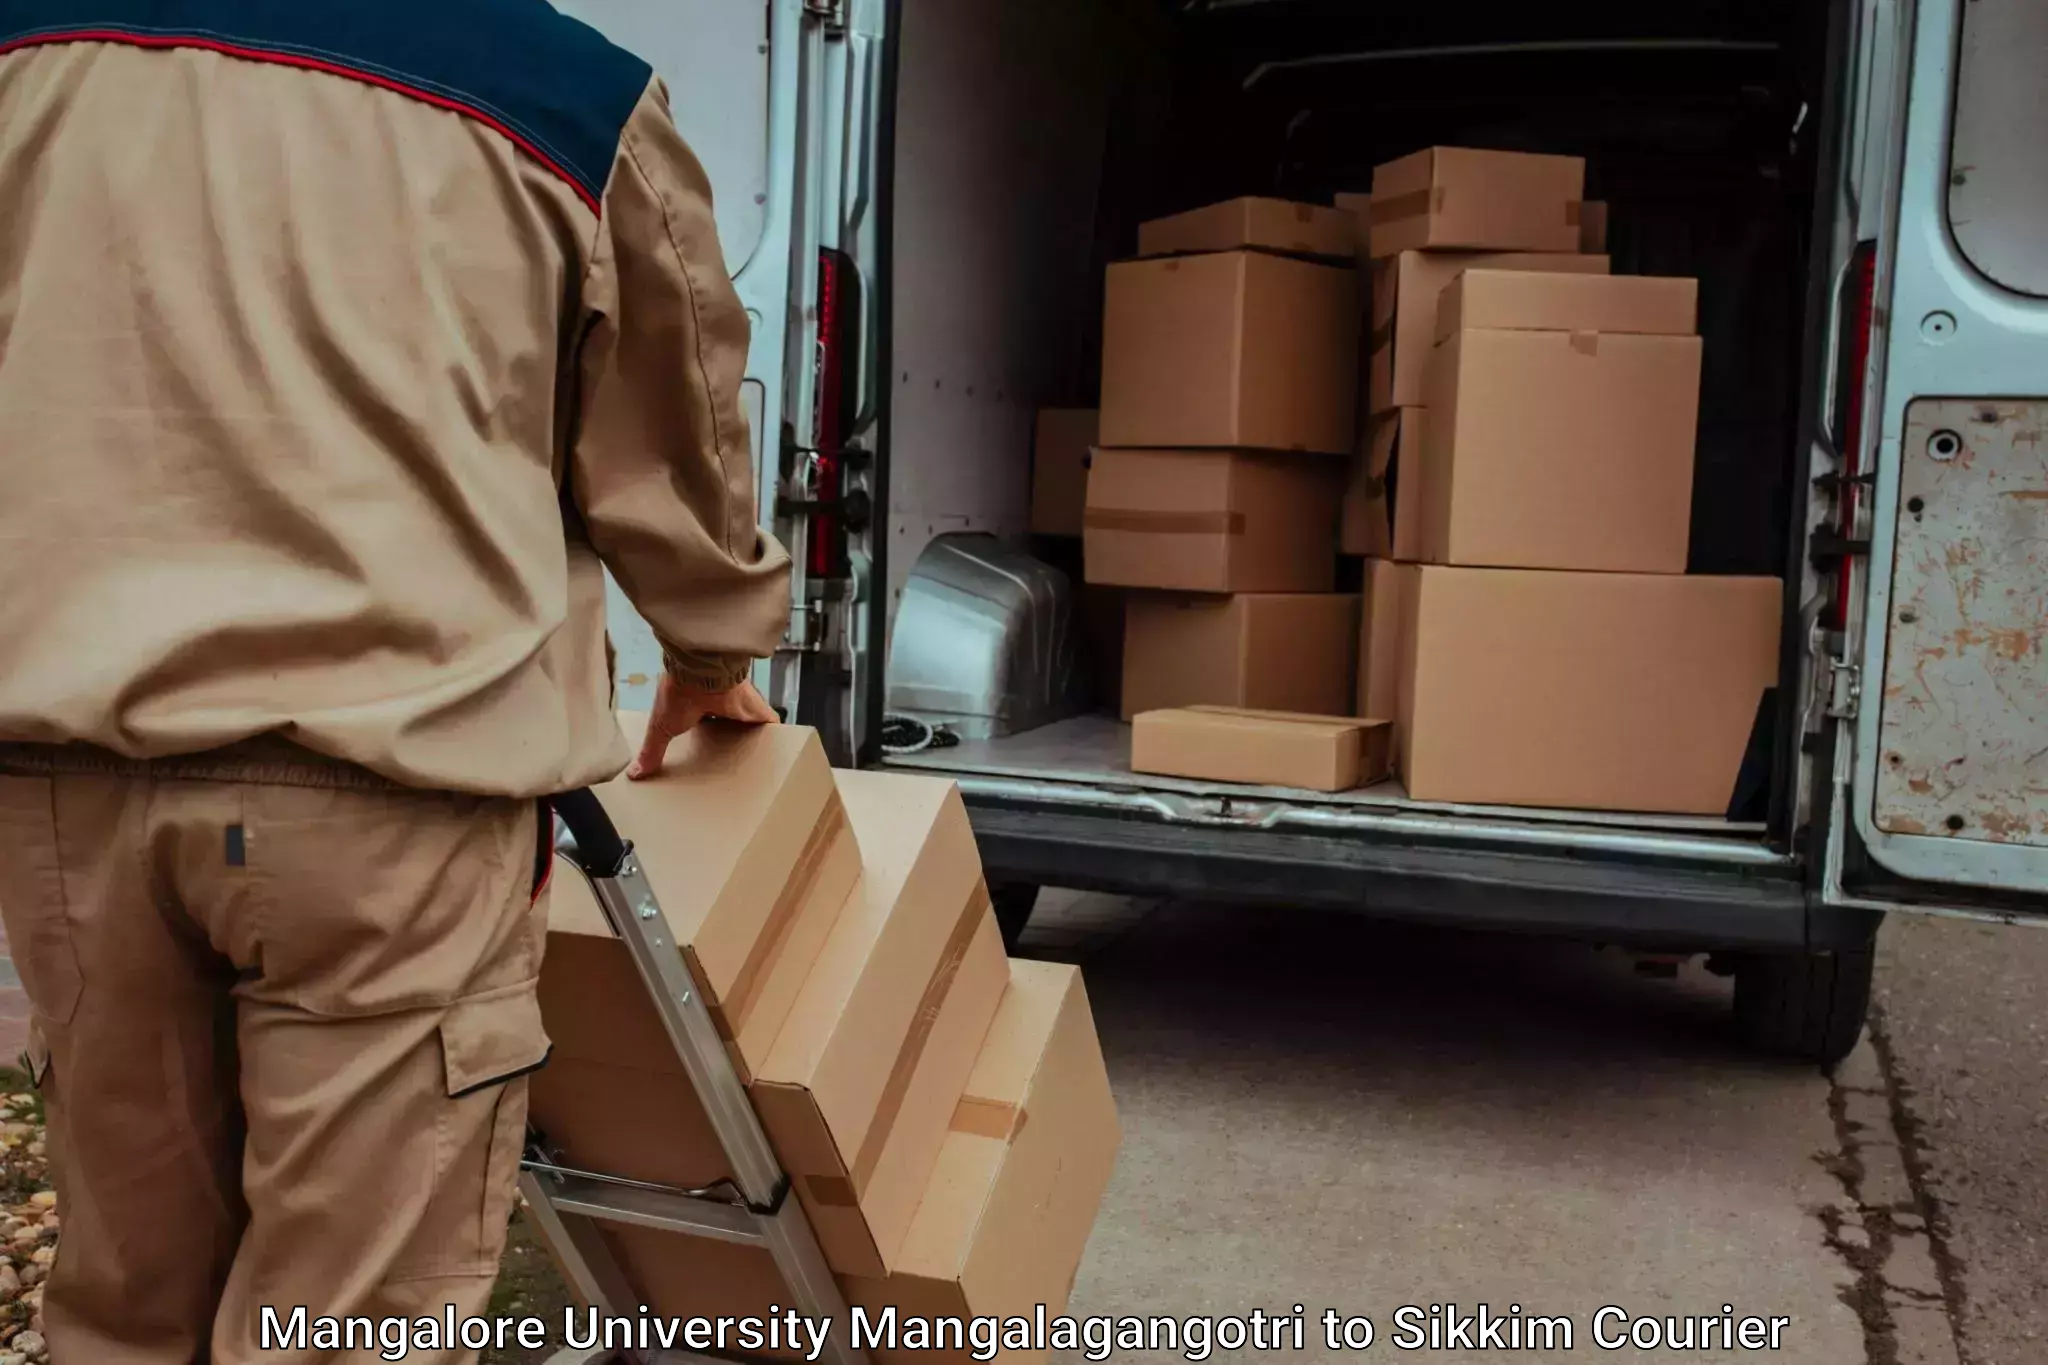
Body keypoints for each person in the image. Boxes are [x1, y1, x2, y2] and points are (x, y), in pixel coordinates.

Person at [0, 3, 791, 1361]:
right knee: (343, 1325)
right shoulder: (566, 98)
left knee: (125, 1303)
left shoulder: (32, 51)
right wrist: (711, 649)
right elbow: (678, 428)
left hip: (70, 796)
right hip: (390, 804)